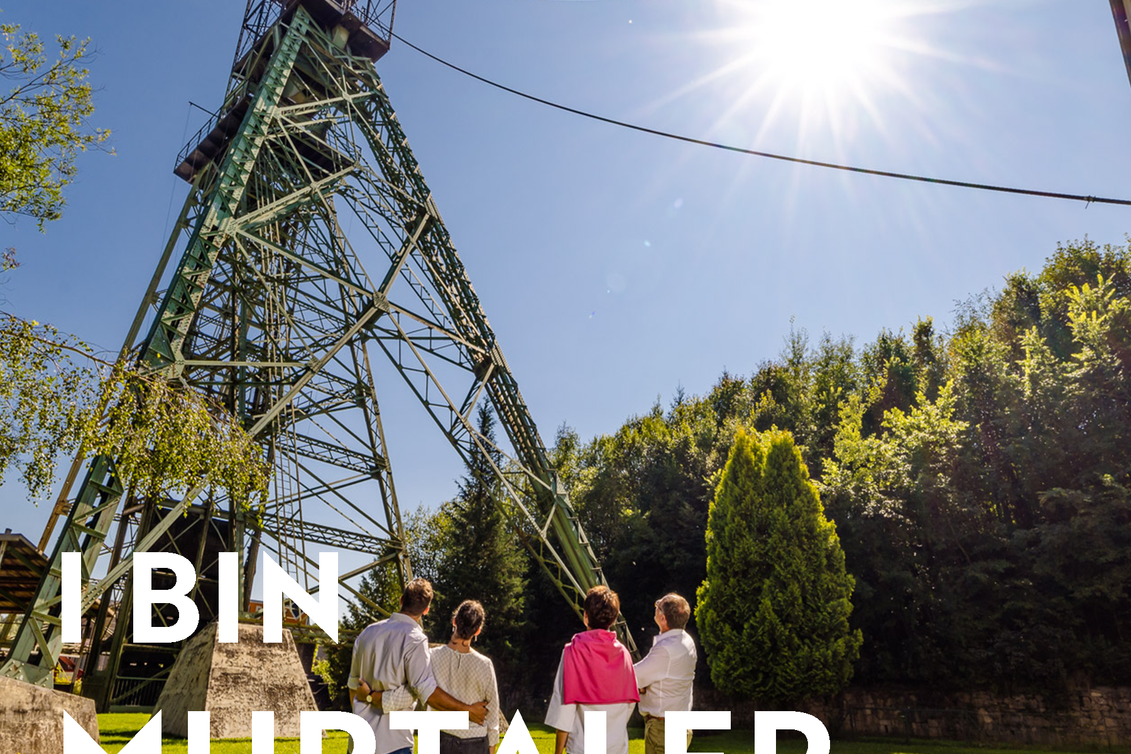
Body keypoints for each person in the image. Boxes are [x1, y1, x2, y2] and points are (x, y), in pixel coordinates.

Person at [349, 578, 488, 754]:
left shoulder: (367, 633)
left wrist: (368, 703)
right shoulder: (415, 640)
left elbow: (353, 687)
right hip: (393, 743)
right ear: (426, 610)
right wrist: (468, 710)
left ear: (401, 600)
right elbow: (427, 692)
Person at [545, 586, 639, 754]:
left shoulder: (573, 652)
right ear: (614, 619)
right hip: (616, 747)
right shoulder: (623, 653)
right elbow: (629, 704)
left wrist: (558, 751)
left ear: (586, 616)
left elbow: (565, 708)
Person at [633, 593, 698, 754]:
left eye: (658, 606)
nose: (655, 607)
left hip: (663, 730)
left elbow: (633, 676)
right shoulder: (687, 641)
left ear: (663, 618)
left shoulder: (665, 650)